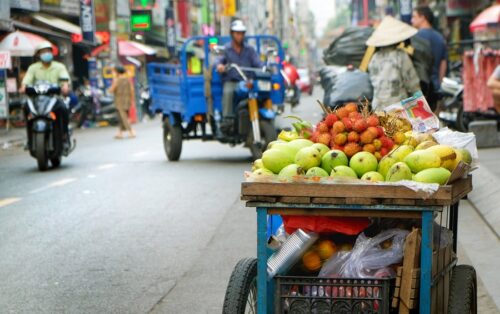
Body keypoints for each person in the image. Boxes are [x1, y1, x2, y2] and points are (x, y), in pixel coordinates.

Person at [20, 41, 71, 149]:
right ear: (38, 54)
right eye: (43, 52)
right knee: (25, 108)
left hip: (54, 98)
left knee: (63, 108)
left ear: (52, 53)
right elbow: (26, 81)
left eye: (48, 51)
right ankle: (29, 139)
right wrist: (23, 87)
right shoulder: (33, 68)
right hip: (37, 99)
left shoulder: (59, 66)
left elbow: (64, 80)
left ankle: (65, 136)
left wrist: (65, 86)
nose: (46, 53)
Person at [215, 19, 263, 132]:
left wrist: (265, 66)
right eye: (237, 33)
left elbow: (258, 62)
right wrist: (220, 66)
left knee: (261, 92)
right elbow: (219, 61)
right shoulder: (226, 49)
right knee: (228, 91)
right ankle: (227, 120)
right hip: (232, 81)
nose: (239, 36)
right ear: (232, 34)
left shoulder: (250, 50)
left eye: (241, 33)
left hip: (248, 81)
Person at [366, 16, 421, 110]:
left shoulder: (375, 57)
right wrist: (419, 100)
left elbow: (373, 79)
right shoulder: (400, 55)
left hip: (378, 107)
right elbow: (412, 83)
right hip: (397, 107)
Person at [412, 5, 448, 92]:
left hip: (419, 87)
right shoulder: (440, 37)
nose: (411, 20)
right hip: (435, 86)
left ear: (422, 17)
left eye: (414, 17)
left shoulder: (414, 37)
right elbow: (443, 63)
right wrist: (438, 84)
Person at [108, 66, 136, 139]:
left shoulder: (117, 80)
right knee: (121, 117)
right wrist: (132, 100)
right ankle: (120, 133)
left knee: (123, 117)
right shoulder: (127, 79)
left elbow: (112, 90)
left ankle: (131, 131)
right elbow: (132, 90)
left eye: (114, 72)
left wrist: (112, 82)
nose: (113, 73)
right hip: (127, 100)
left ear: (117, 72)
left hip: (119, 101)